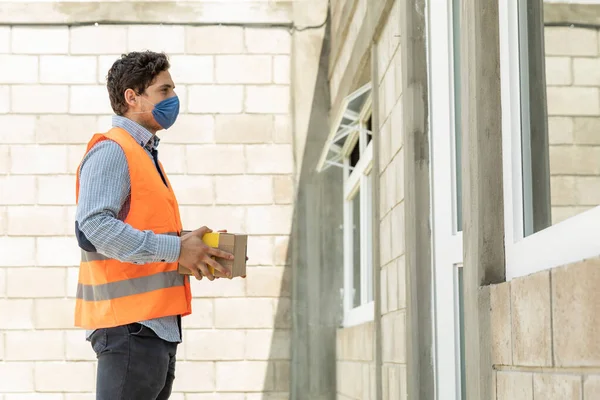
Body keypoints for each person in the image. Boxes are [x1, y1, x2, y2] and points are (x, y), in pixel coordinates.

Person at [73, 50, 232, 400]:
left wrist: (191, 247)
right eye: (164, 90)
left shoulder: (144, 154)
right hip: (131, 328)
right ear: (132, 97)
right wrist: (177, 248)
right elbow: (93, 228)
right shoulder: (114, 150)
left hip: (153, 329)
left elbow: (140, 229)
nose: (173, 99)